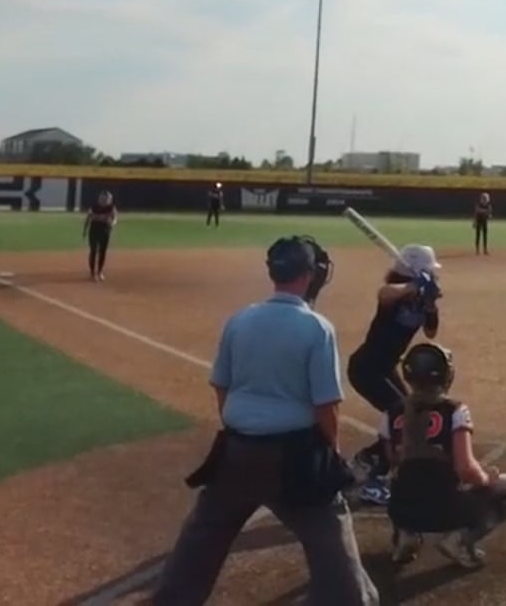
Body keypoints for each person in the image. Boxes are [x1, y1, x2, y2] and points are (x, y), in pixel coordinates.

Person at [152, 235, 377, 606]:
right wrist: (332, 453)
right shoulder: (316, 328)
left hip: (235, 452)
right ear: (310, 275)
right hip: (295, 459)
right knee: (330, 538)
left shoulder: (240, 320)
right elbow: (326, 405)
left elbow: (221, 386)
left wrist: (242, 428)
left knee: (203, 535)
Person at [383, 342, 506, 570]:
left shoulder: (391, 412)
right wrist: (486, 479)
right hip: (445, 510)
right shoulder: (455, 410)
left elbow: (392, 460)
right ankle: (458, 541)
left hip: (401, 509)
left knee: (401, 481)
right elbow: (465, 469)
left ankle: (406, 536)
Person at [346, 244, 443, 507]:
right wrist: (414, 286)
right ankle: (370, 473)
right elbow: (384, 293)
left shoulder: (421, 298)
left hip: (385, 369)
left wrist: (430, 304)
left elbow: (431, 332)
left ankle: (372, 463)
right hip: (366, 368)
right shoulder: (395, 295)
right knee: (402, 419)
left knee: (412, 417)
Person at [83, 190, 118, 282]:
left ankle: (99, 272)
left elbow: (115, 218)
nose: (105, 200)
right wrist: (85, 230)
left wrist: (112, 223)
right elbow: (88, 218)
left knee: (103, 251)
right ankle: (92, 273)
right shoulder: (94, 206)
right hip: (94, 231)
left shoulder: (111, 208)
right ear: (99, 198)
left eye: (107, 199)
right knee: (93, 251)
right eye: (103, 198)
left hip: (105, 231)